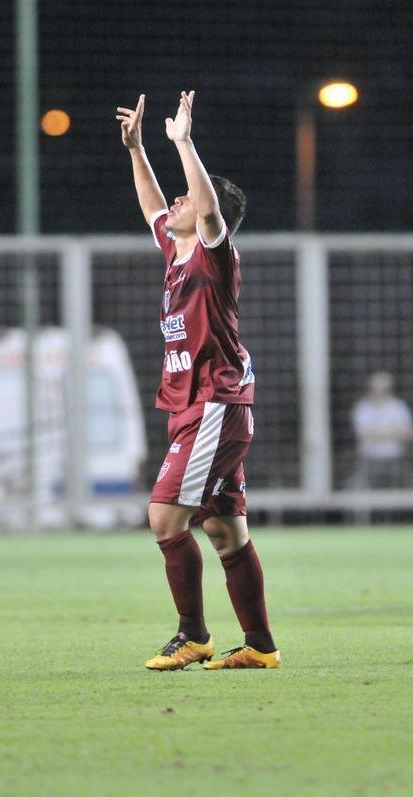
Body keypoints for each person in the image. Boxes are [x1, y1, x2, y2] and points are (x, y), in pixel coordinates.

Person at [117, 91, 278, 669]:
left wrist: (184, 142)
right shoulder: (176, 249)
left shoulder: (214, 253)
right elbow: (153, 206)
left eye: (187, 196)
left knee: (164, 517)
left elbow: (205, 208)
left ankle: (193, 634)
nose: (177, 201)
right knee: (226, 532)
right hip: (196, 406)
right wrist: (137, 150)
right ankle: (260, 646)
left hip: (214, 404)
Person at [352, 371, 413, 488]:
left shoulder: (398, 406)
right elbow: (363, 435)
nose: (381, 388)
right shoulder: (363, 407)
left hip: (395, 458)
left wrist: (376, 434)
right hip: (370, 459)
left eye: (384, 384)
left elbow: (406, 434)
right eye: (378, 384)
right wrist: (393, 433)